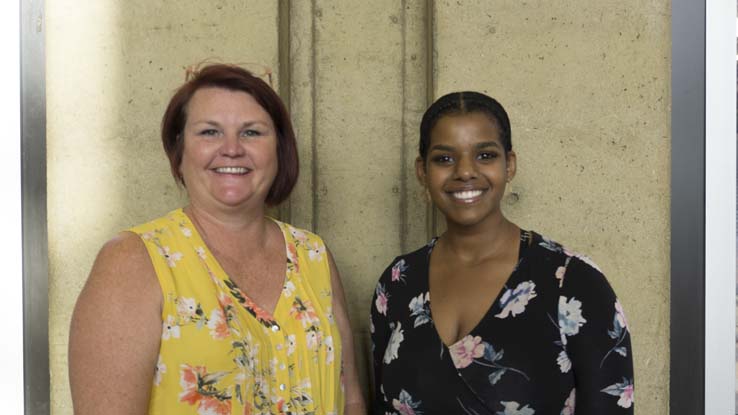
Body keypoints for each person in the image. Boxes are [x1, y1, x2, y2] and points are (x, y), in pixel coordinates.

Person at [70, 64, 366, 415]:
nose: (231, 149)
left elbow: (351, 400)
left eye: (252, 133)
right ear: (179, 153)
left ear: (280, 151)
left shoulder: (313, 255)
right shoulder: (134, 261)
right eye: (209, 132)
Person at [370, 91, 634, 414]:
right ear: (422, 171)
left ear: (509, 165)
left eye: (485, 155)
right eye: (444, 158)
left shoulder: (574, 283)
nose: (465, 171)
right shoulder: (397, 282)